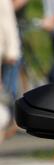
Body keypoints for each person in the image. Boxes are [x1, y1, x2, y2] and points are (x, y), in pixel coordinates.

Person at [0, 0, 21, 142]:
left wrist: (12, 51)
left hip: (5, 51)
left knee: (7, 91)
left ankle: (9, 122)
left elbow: (8, 23)